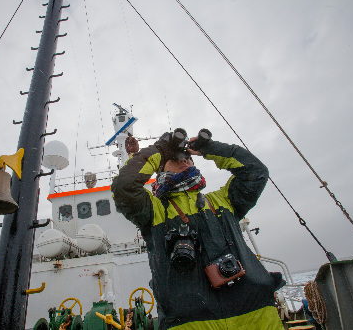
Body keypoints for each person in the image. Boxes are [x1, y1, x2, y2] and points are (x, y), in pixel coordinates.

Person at [111, 130, 284, 329]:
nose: (183, 161)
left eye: (187, 158)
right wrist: (158, 150)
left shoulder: (221, 201)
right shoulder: (155, 211)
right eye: (175, 158)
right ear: (160, 169)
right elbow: (124, 187)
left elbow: (255, 172)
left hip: (257, 317)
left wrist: (209, 148)